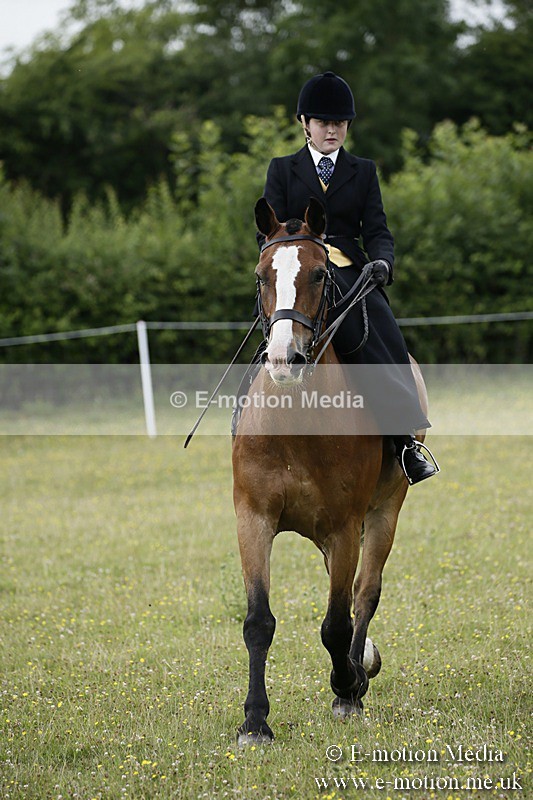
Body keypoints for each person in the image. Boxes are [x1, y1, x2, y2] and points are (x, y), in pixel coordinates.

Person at [258, 70, 438, 484]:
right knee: (268, 325)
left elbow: (376, 229)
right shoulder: (283, 170)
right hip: (298, 270)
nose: (332, 130)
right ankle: (241, 424)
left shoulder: (363, 170)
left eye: (339, 123)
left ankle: (405, 442)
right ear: (305, 124)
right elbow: (268, 230)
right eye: (323, 122)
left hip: (351, 276)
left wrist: (383, 263)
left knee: (384, 336)